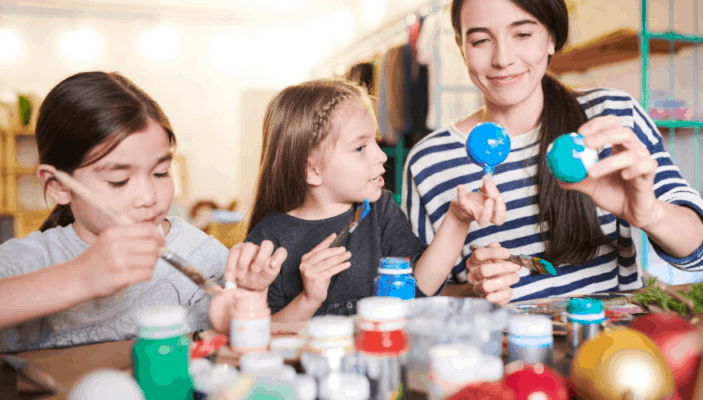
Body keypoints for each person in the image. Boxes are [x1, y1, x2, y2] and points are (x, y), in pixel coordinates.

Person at [402, 0, 703, 305]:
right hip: (500, 342)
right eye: (481, 40)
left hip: (617, 339)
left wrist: (651, 215)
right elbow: (413, 297)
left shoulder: (611, 119)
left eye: (522, 34)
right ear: (461, 47)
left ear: (551, 39)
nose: (502, 58)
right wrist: (474, 292)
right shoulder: (428, 161)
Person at [0, 72, 283, 352]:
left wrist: (245, 306)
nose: (149, 197)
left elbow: (230, 341)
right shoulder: (31, 260)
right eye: (119, 180)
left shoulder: (200, 255)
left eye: (161, 172)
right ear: (59, 186)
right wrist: (80, 276)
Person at [243, 78, 504, 322]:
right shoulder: (266, 242)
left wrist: (457, 219)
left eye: (375, 141)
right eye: (360, 148)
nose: (381, 156)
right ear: (311, 169)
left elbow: (419, 286)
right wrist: (308, 300)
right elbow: (257, 332)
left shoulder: (381, 212)